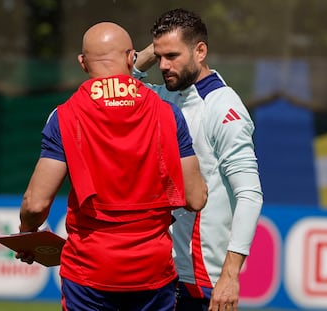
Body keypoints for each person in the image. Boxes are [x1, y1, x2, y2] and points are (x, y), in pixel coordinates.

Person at [15, 21, 208, 311]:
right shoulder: (168, 115)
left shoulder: (65, 116)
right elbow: (196, 198)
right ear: (131, 58)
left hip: (89, 272)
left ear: (82, 63)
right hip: (152, 273)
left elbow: (35, 203)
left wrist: (27, 234)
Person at [133, 8, 263, 311]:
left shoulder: (223, 107)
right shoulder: (164, 96)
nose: (163, 65)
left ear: (200, 51)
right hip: (164, 274)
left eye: (173, 55)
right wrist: (158, 47)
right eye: (159, 56)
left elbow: (250, 194)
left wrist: (231, 275)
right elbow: (121, 80)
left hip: (205, 282)